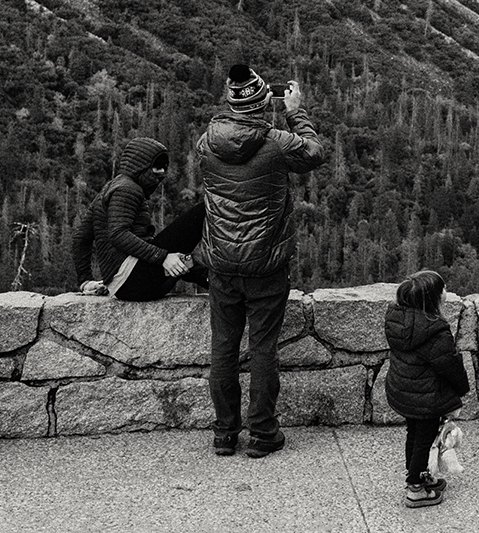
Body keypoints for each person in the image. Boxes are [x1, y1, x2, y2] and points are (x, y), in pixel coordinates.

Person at [198, 65, 325, 458]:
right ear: (262, 103)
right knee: (263, 349)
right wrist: (294, 111)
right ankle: (262, 432)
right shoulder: (276, 143)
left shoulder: (206, 142)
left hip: (222, 262)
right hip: (265, 264)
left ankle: (224, 433)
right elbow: (314, 152)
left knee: (223, 349)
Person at [71, 137, 207, 300]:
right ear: (140, 165)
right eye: (157, 166)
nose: (162, 173)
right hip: (135, 278)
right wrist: (162, 257)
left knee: (188, 263)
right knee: (206, 209)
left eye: (164, 167)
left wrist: (85, 281)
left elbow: (81, 237)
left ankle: (223, 288)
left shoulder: (110, 188)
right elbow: (118, 234)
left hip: (127, 285)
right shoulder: (127, 189)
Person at [384, 270, 469, 509]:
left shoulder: (397, 321)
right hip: (426, 396)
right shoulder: (435, 331)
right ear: (433, 298)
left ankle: (419, 475)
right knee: (424, 439)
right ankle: (415, 489)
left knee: (414, 434)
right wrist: (461, 388)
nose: (446, 291)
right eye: (443, 288)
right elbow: (449, 365)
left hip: (405, 391)